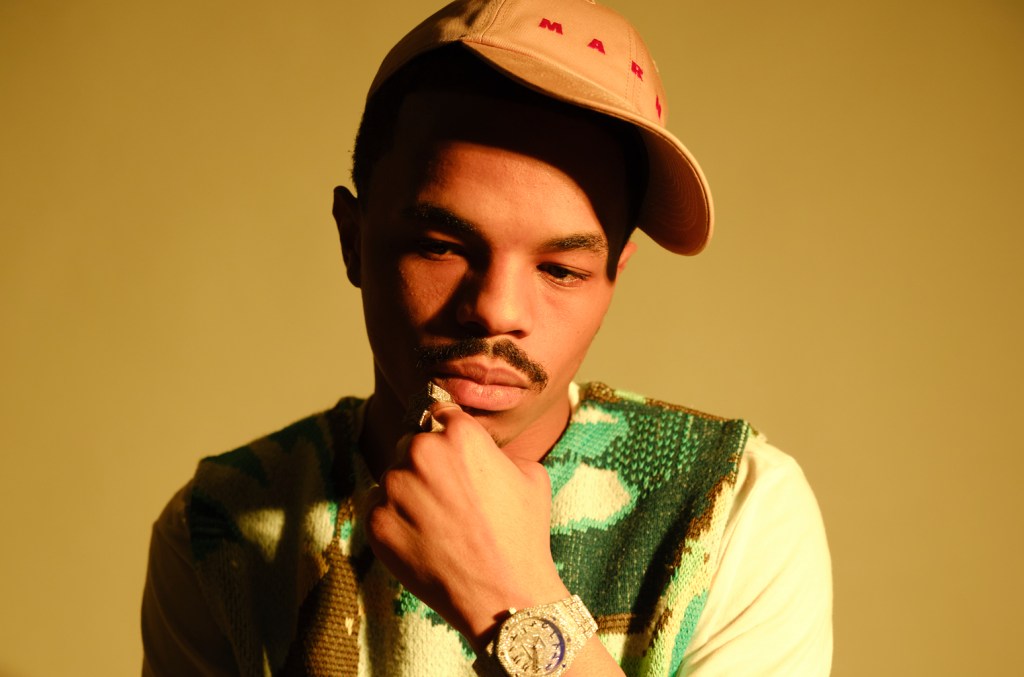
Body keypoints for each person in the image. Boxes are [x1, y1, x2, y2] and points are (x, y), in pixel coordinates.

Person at [141, 0, 833, 675]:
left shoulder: (734, 510)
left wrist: (510, 597)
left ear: (614, 277)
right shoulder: (219, 525)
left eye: (560, 269)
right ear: (353, 241)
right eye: (441, 246)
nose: (496, 310)